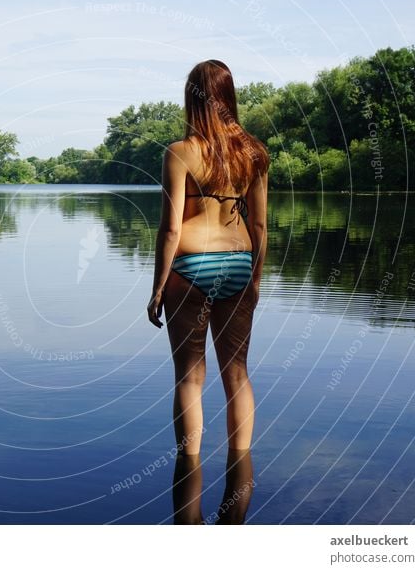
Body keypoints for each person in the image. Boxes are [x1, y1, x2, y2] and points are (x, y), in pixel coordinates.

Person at [146, 59, 269, 524]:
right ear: (230, 95)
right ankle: (240, 465)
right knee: (236, 372)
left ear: (192, 98)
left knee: (189, 376)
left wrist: (158, 286)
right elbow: (258, 225)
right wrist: (255, 278)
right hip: (239, 264)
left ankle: (189, 468)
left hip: (192, 267)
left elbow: (170, 227)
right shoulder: (254, 152)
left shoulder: (180, 152)